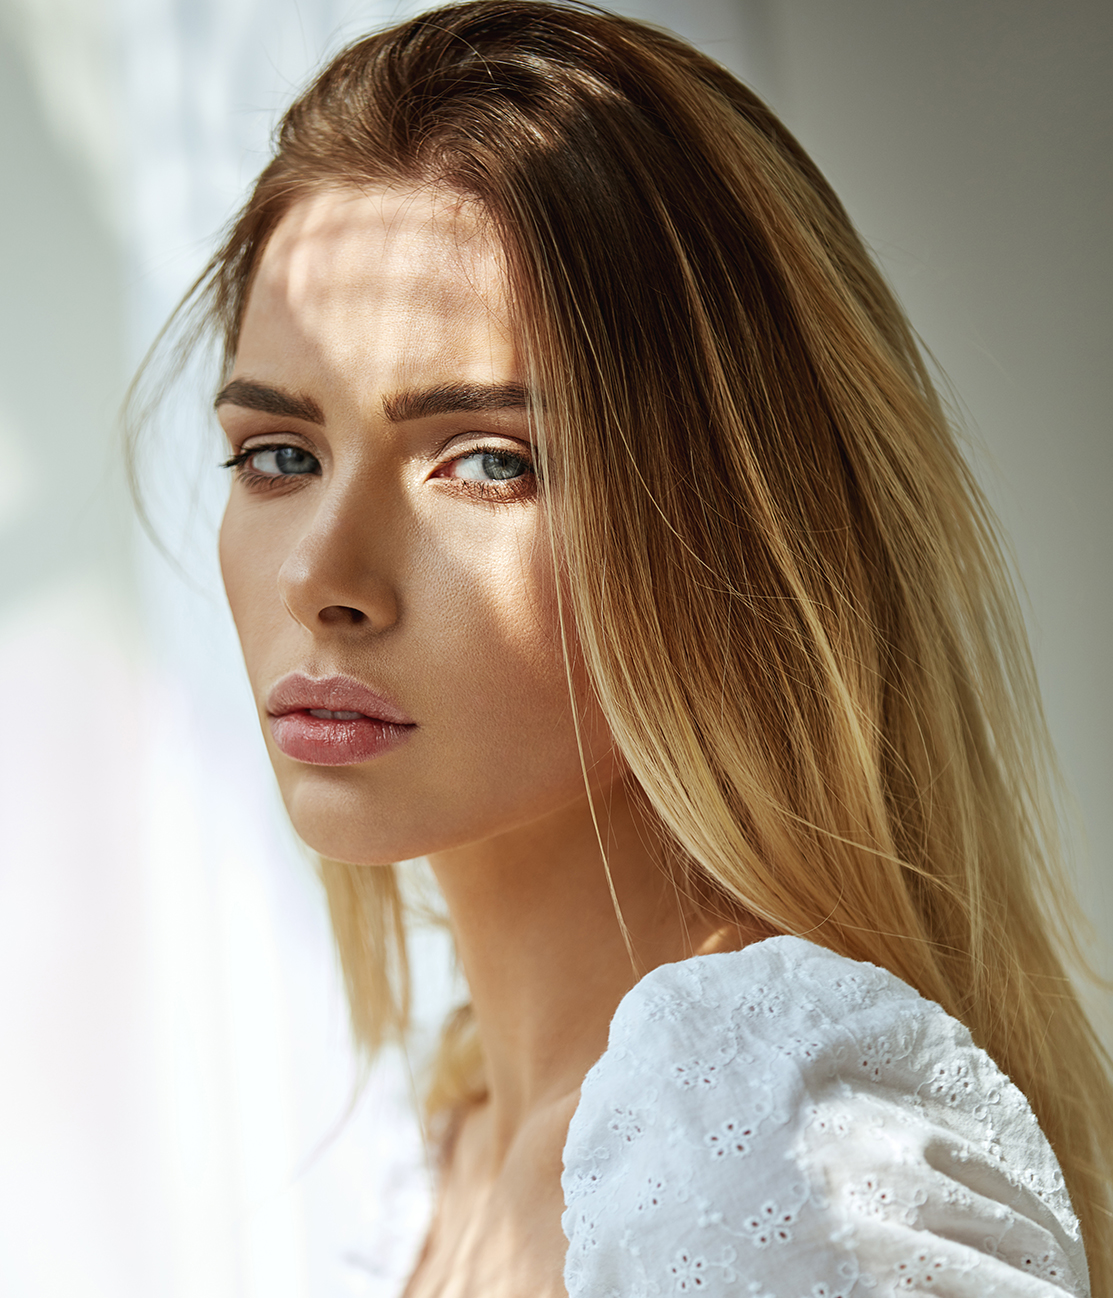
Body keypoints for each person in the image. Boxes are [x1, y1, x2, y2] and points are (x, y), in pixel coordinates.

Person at [137, 2, 1112, 1293]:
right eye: (278, 454)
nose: (321, 574)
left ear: (734, 524)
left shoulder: (775, 1138)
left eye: (488, 460)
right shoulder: (466, 1134)